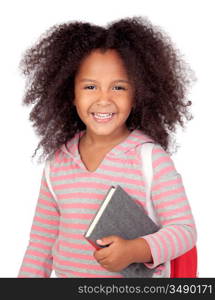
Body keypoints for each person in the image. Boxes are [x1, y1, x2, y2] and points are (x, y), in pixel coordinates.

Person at [18, 16, 197, 278]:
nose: (104, 99)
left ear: (137, 94)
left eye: (118, 87)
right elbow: (40, 247)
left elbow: (184, 231)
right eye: (90, 86)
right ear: (71, 94)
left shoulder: (149, 159)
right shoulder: (57, 163)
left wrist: (135, 250)